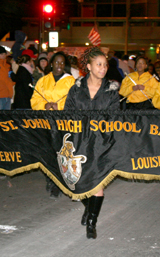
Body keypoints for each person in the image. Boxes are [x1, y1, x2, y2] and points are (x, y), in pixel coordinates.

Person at [64, 46, 120, 239]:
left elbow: (115, 117)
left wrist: (103, 125)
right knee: (77, 182)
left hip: (100, 143)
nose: (103, 69)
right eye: (99, 65)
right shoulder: (76, 88)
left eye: (105, 65)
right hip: (78, 140)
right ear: (88, 66)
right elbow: (67, 113)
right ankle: (89, 207)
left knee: (97, 183)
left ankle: (91, 223)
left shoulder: (111, 90)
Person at [31, 51, 75, 198]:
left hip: (63, 122)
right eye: (57, 62)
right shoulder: (43, 81)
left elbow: (74, 101)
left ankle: (62, 182)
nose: (59, 65)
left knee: (62, 152)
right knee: (48, 151)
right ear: (51, 64)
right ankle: (51, 179)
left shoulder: (71, 81)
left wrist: (60, 107)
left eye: (62, 63)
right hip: (46, 122)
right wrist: (45, 105)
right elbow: (34, 99)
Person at [0, 46, 15, 110]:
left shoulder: (7, 65)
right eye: (1, 54)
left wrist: (13, 83)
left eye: (5, 53)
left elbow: (9, 79)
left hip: (8, 94)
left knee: (6, 117)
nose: (4, 55)